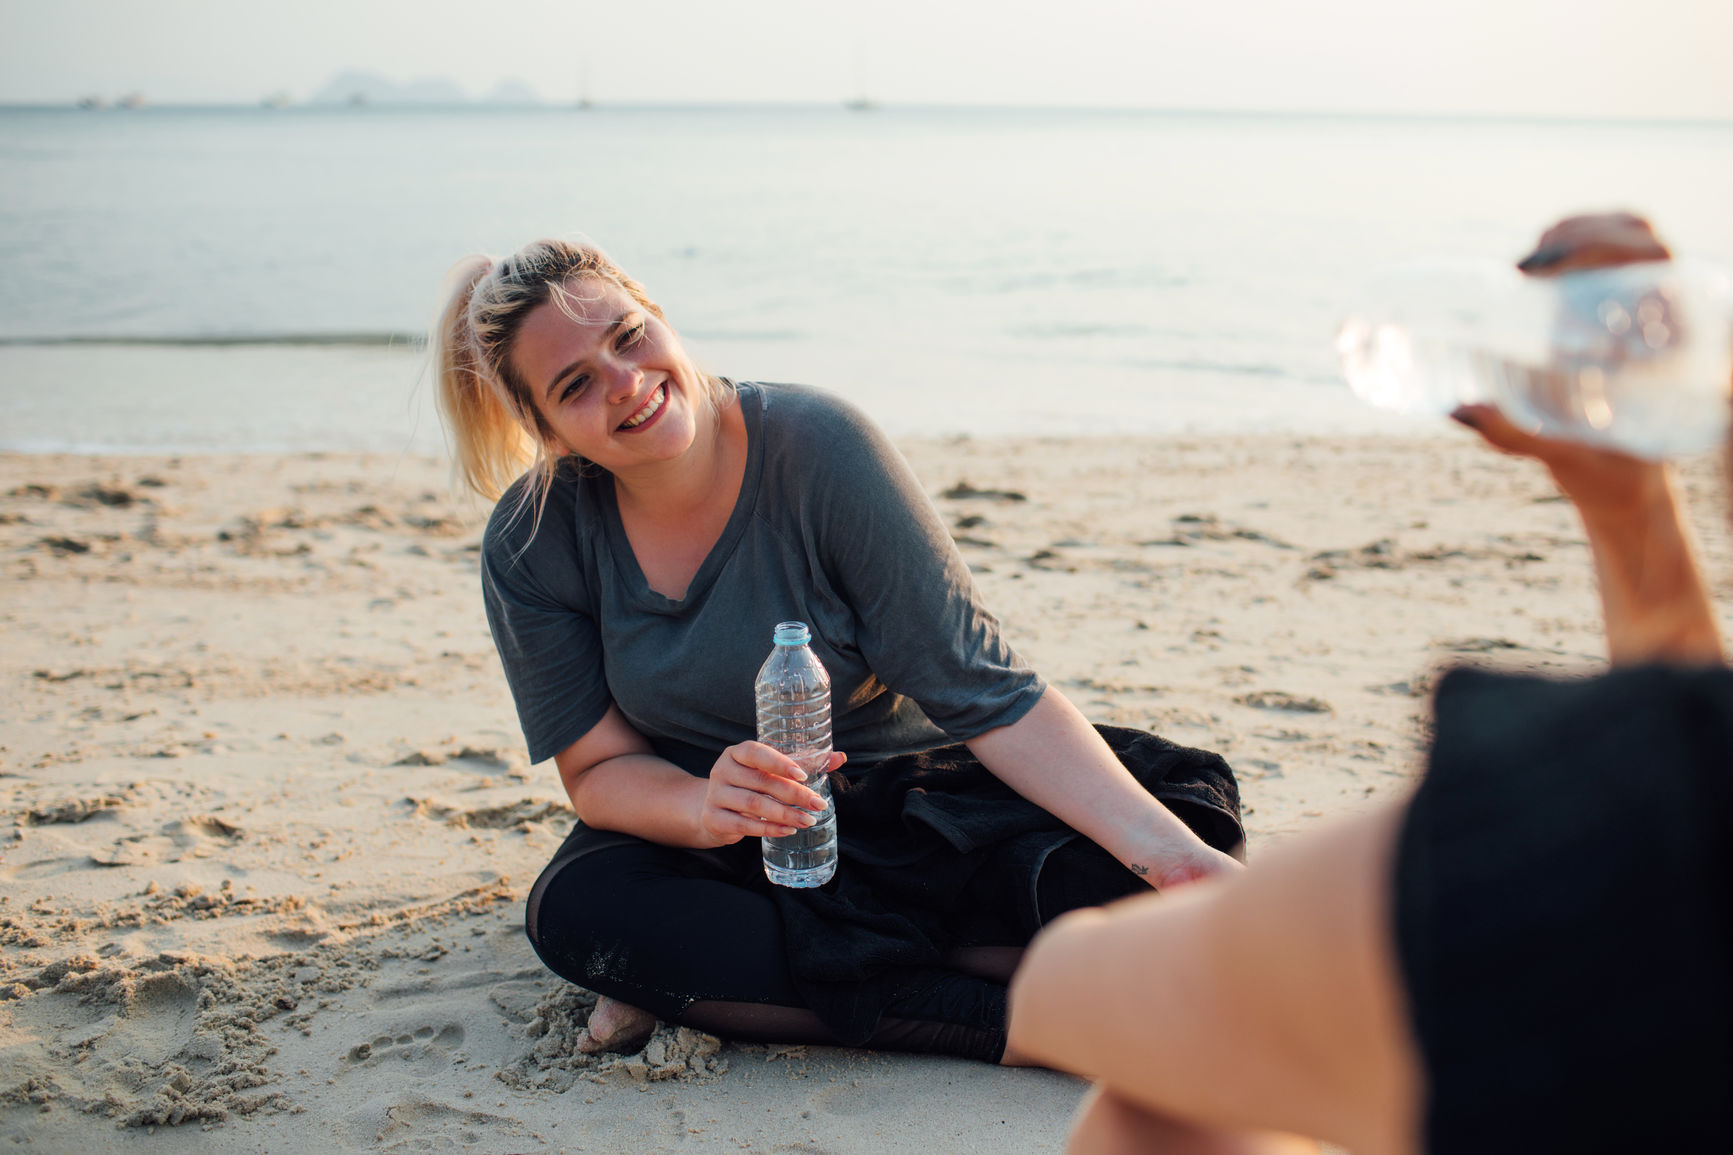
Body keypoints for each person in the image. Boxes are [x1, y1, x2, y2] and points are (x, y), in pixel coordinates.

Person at [1006, 211, 1732, 1152]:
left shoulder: (1590, 842)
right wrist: (1625, 496)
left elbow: (1064, 994)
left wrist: (1222, 917)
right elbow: (1691, 765)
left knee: (1149, 1104)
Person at [431, 240, 1246, 1062]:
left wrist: (1173, 859)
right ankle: (1043, 1022)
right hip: (707, 843)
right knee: (582, 914)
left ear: (662, 320)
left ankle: (719, 985)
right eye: (574, 385)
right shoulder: (534, 540)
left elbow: (986, 694)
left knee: (1169, 836)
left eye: (628, 335)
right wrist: (706, 808)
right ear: (544, 430)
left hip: (900, 815)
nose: (624, 380)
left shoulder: (817, 446)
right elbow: (599, 773)